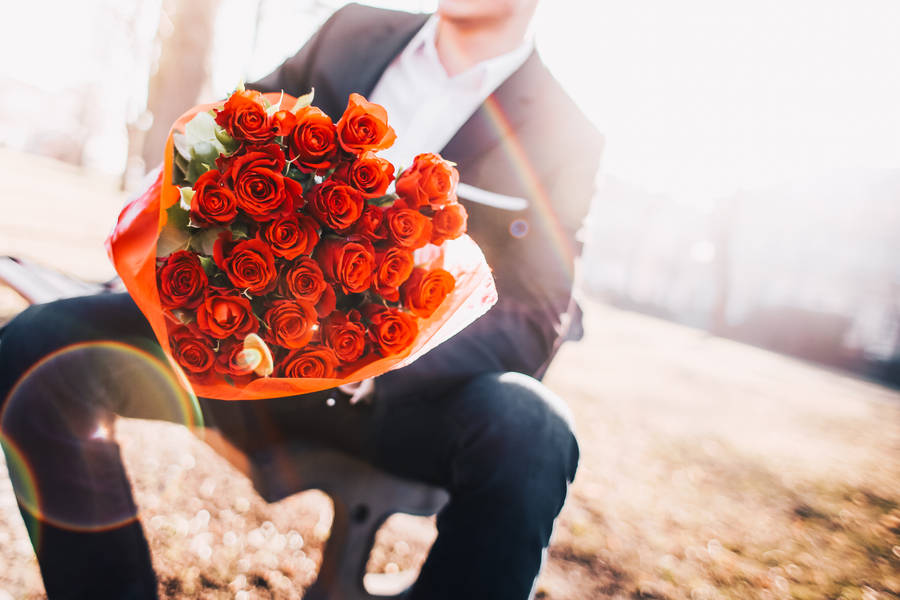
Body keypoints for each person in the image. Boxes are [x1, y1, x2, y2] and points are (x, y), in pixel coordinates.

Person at [0, 1, 603, 598]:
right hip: (235, 353)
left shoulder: (566, 132)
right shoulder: (353, 31)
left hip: (396, 407)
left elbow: (536, 313)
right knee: (34, 345)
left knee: (535, 428)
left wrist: (381, 369)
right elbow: (220, 136)